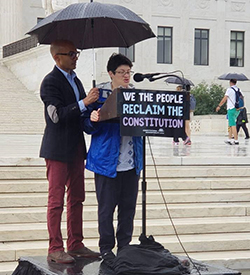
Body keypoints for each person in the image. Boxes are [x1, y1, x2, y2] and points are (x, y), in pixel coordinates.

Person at [39, 39, 100, 264]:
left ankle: (75, 244)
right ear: (57, 58)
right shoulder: (50, 82)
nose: (75, 57)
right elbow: (56, 116)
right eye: (71, 54)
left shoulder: (77, 80)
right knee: (56, 201)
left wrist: (96, 107)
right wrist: (84, 102)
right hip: (56, 150)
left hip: (76, 147)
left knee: (77, 198)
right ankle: (55, 247)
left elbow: (83, 113)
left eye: (77, 53)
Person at [85, 53, 143, 268]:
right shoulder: (99, 94)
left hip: (131, 162)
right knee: (106, 208)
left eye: (129, 72)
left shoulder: (136, 95)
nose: (127, 76)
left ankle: (125, 247)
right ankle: (106, 248)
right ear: (111, 74)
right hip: (106, 162)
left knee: (128, 208)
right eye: (122, 72)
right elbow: (87, 125)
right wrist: (93, 119)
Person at [216, 79, 240, 145]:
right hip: (237, 109)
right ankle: (229, 139)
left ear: (230, 82)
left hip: (231, 109)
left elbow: (224, 99)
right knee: (230, 124)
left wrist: (219, 106)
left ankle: (236, 140)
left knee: (233, 125)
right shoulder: (238, 89)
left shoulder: (229, 90)